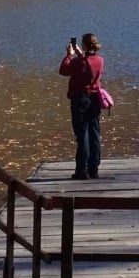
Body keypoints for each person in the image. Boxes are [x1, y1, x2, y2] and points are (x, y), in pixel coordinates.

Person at [58, 32, 105, 180]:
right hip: (95, 99)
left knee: (82, 135)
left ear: (84, 45)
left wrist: (69, 55)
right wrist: (80, 54)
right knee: (94, 134)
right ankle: (94, 169)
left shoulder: (79, 62)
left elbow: (64, 70)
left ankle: (81, 171)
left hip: (81, 100)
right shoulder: (100, 60)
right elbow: (87, 64)